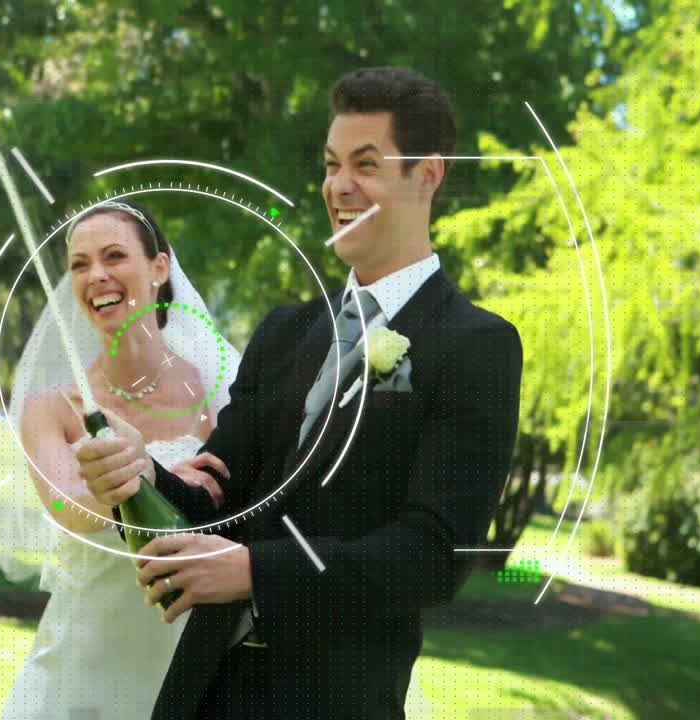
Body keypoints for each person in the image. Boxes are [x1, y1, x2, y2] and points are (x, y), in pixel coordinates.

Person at [78, 67, 524, 719]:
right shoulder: (285, 332)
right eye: (331, 164)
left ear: (427, 174)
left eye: (366, 164)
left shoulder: (475, 344)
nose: (338, 186)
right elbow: (217, 506)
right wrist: (136, 476)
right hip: (201, 694)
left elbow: (434, 554)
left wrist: (258, 573)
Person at [0, 199, 240, 719]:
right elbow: (68, 509)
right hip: (83, 667)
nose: (95, 275)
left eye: (113, 256)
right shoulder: (50, 409)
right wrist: (142, 480)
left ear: (159, 267)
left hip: (189, 659)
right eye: (79, 264)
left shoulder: (218, 390)